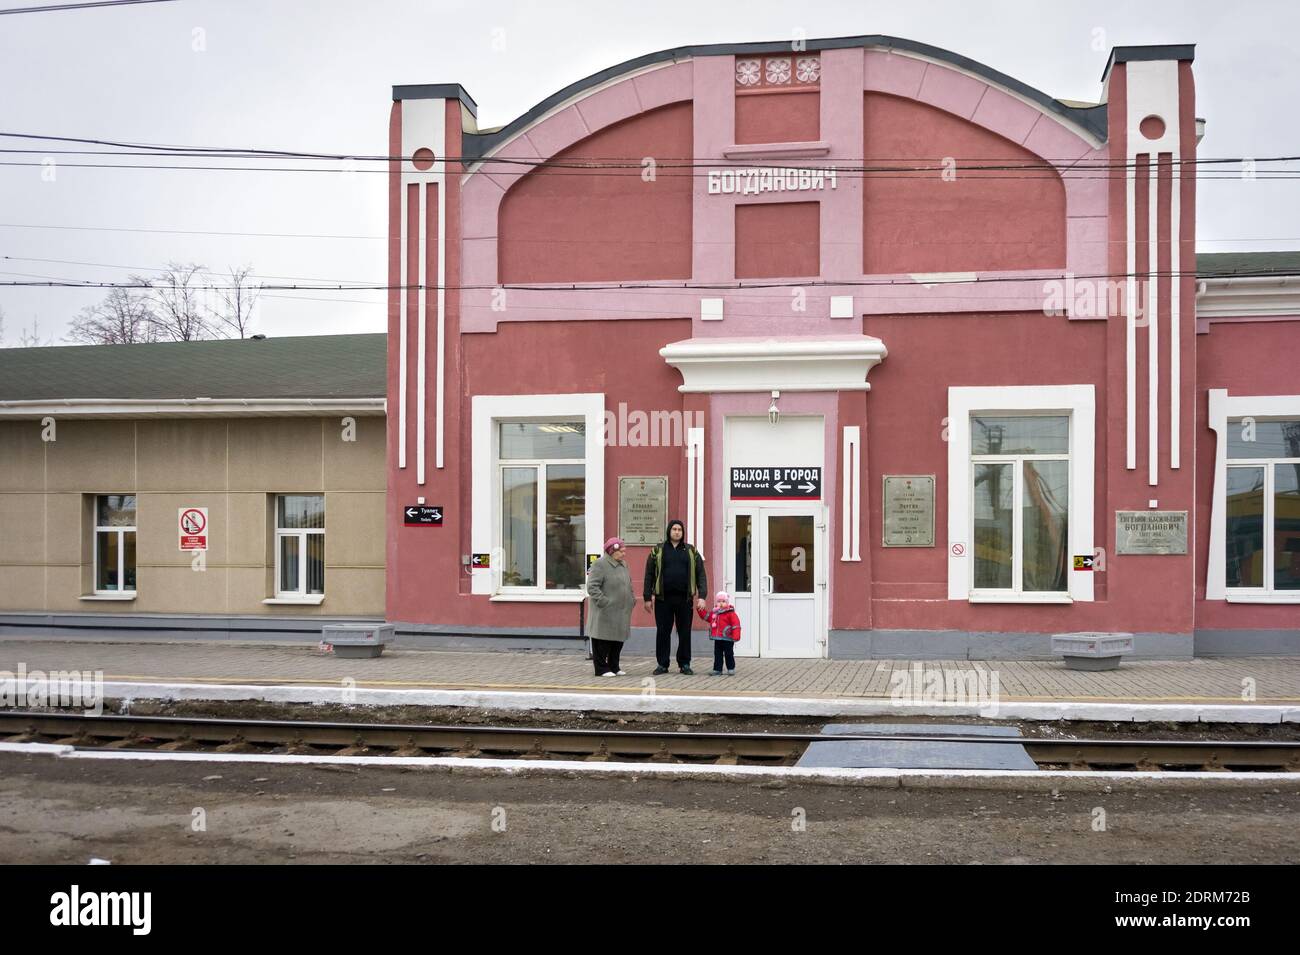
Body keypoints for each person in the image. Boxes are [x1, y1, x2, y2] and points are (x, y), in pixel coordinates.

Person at [642, 519, 707, 675]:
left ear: (682, 532)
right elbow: (649, 574)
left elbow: (701, 574)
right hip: (663, 600)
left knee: (684, 632)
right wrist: (646, 597)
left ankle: (684, 663)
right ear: (669, 531)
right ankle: (662, 664)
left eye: (679, 529)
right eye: (674, 529)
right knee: (663, 632)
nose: (677, 532)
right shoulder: (657, 550)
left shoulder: (691, 551)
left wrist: (702, 596)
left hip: (685, 600)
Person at [586, 537, 635, 677]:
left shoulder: (623, 565)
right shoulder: (599, 565)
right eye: (621, 551)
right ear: (612, 551)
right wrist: (604, 602)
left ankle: (614, 666)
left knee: (617, 640)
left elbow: (628, 584)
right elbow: (592, 587)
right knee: (602, 641)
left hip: (621, 610)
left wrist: (631, 599)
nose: (624, 553)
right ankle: (601, 668)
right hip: (605, 611)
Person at [698, 590, 742, 676]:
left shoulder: (730, 613)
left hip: (728, 638)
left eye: (723, 601)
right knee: (717, 654)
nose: (721, 603)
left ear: (727, 602)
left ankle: (731, 668)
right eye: (719, 601)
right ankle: (717, 669)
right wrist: (700, 610)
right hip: (717, 638)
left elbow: (736, 624)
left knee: (728, 653)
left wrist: (736, 634)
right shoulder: (715, 613)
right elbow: (707, 617)